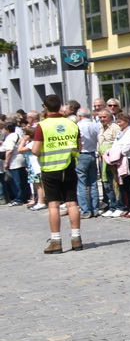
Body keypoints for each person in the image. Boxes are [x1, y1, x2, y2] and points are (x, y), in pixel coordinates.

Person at [32, 94, 82, 253]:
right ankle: (76, 239)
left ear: (45, 107)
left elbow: (35, 150)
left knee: (53, 205)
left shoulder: (42, 126)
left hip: (50, 169)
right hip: (68, 166)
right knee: (72, 203)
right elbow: (79, 147)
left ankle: (56, 241)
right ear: (60, 105)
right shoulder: (72, 123)